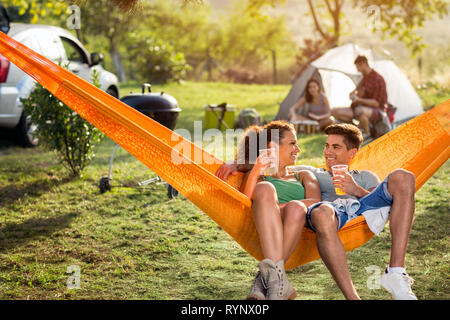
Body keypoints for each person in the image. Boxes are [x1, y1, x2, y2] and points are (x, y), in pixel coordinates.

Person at [216, 123, 417, 300]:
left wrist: (355, 190)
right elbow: (278, 164)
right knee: (321, 212)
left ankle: (396, 272)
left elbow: (388, 206)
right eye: (326, 146)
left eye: (335, 147)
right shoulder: (313, 171)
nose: (328, 152)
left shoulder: (365, 177)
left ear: (352, 152)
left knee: (404, 177)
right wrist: (238, 165)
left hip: (360, 211)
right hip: (328, 214)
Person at [237, 121, 321, 300]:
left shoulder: (304, 175)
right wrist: (255, 170)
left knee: (296, 207)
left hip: (296, 223)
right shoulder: (260, 176)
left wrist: (276, 210)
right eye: (293, 143)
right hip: (264, 226)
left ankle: (264, 281)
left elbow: (316, 201)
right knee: (265, 189)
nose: (298, 149)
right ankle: (278, 287)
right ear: (273, 147)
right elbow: (243, 204)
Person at [331, 55, 388, 140]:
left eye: (358, 67)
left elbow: (376, 103)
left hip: (376, 110)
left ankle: (368, 134)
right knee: (334, 111)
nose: (357, 70)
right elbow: (358, 88)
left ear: (364, 64)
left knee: (360, 110)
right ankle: (354, 130)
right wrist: (353, 93)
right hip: (360, 108)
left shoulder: (378, 79)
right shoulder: (365, 77)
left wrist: (359, 99)